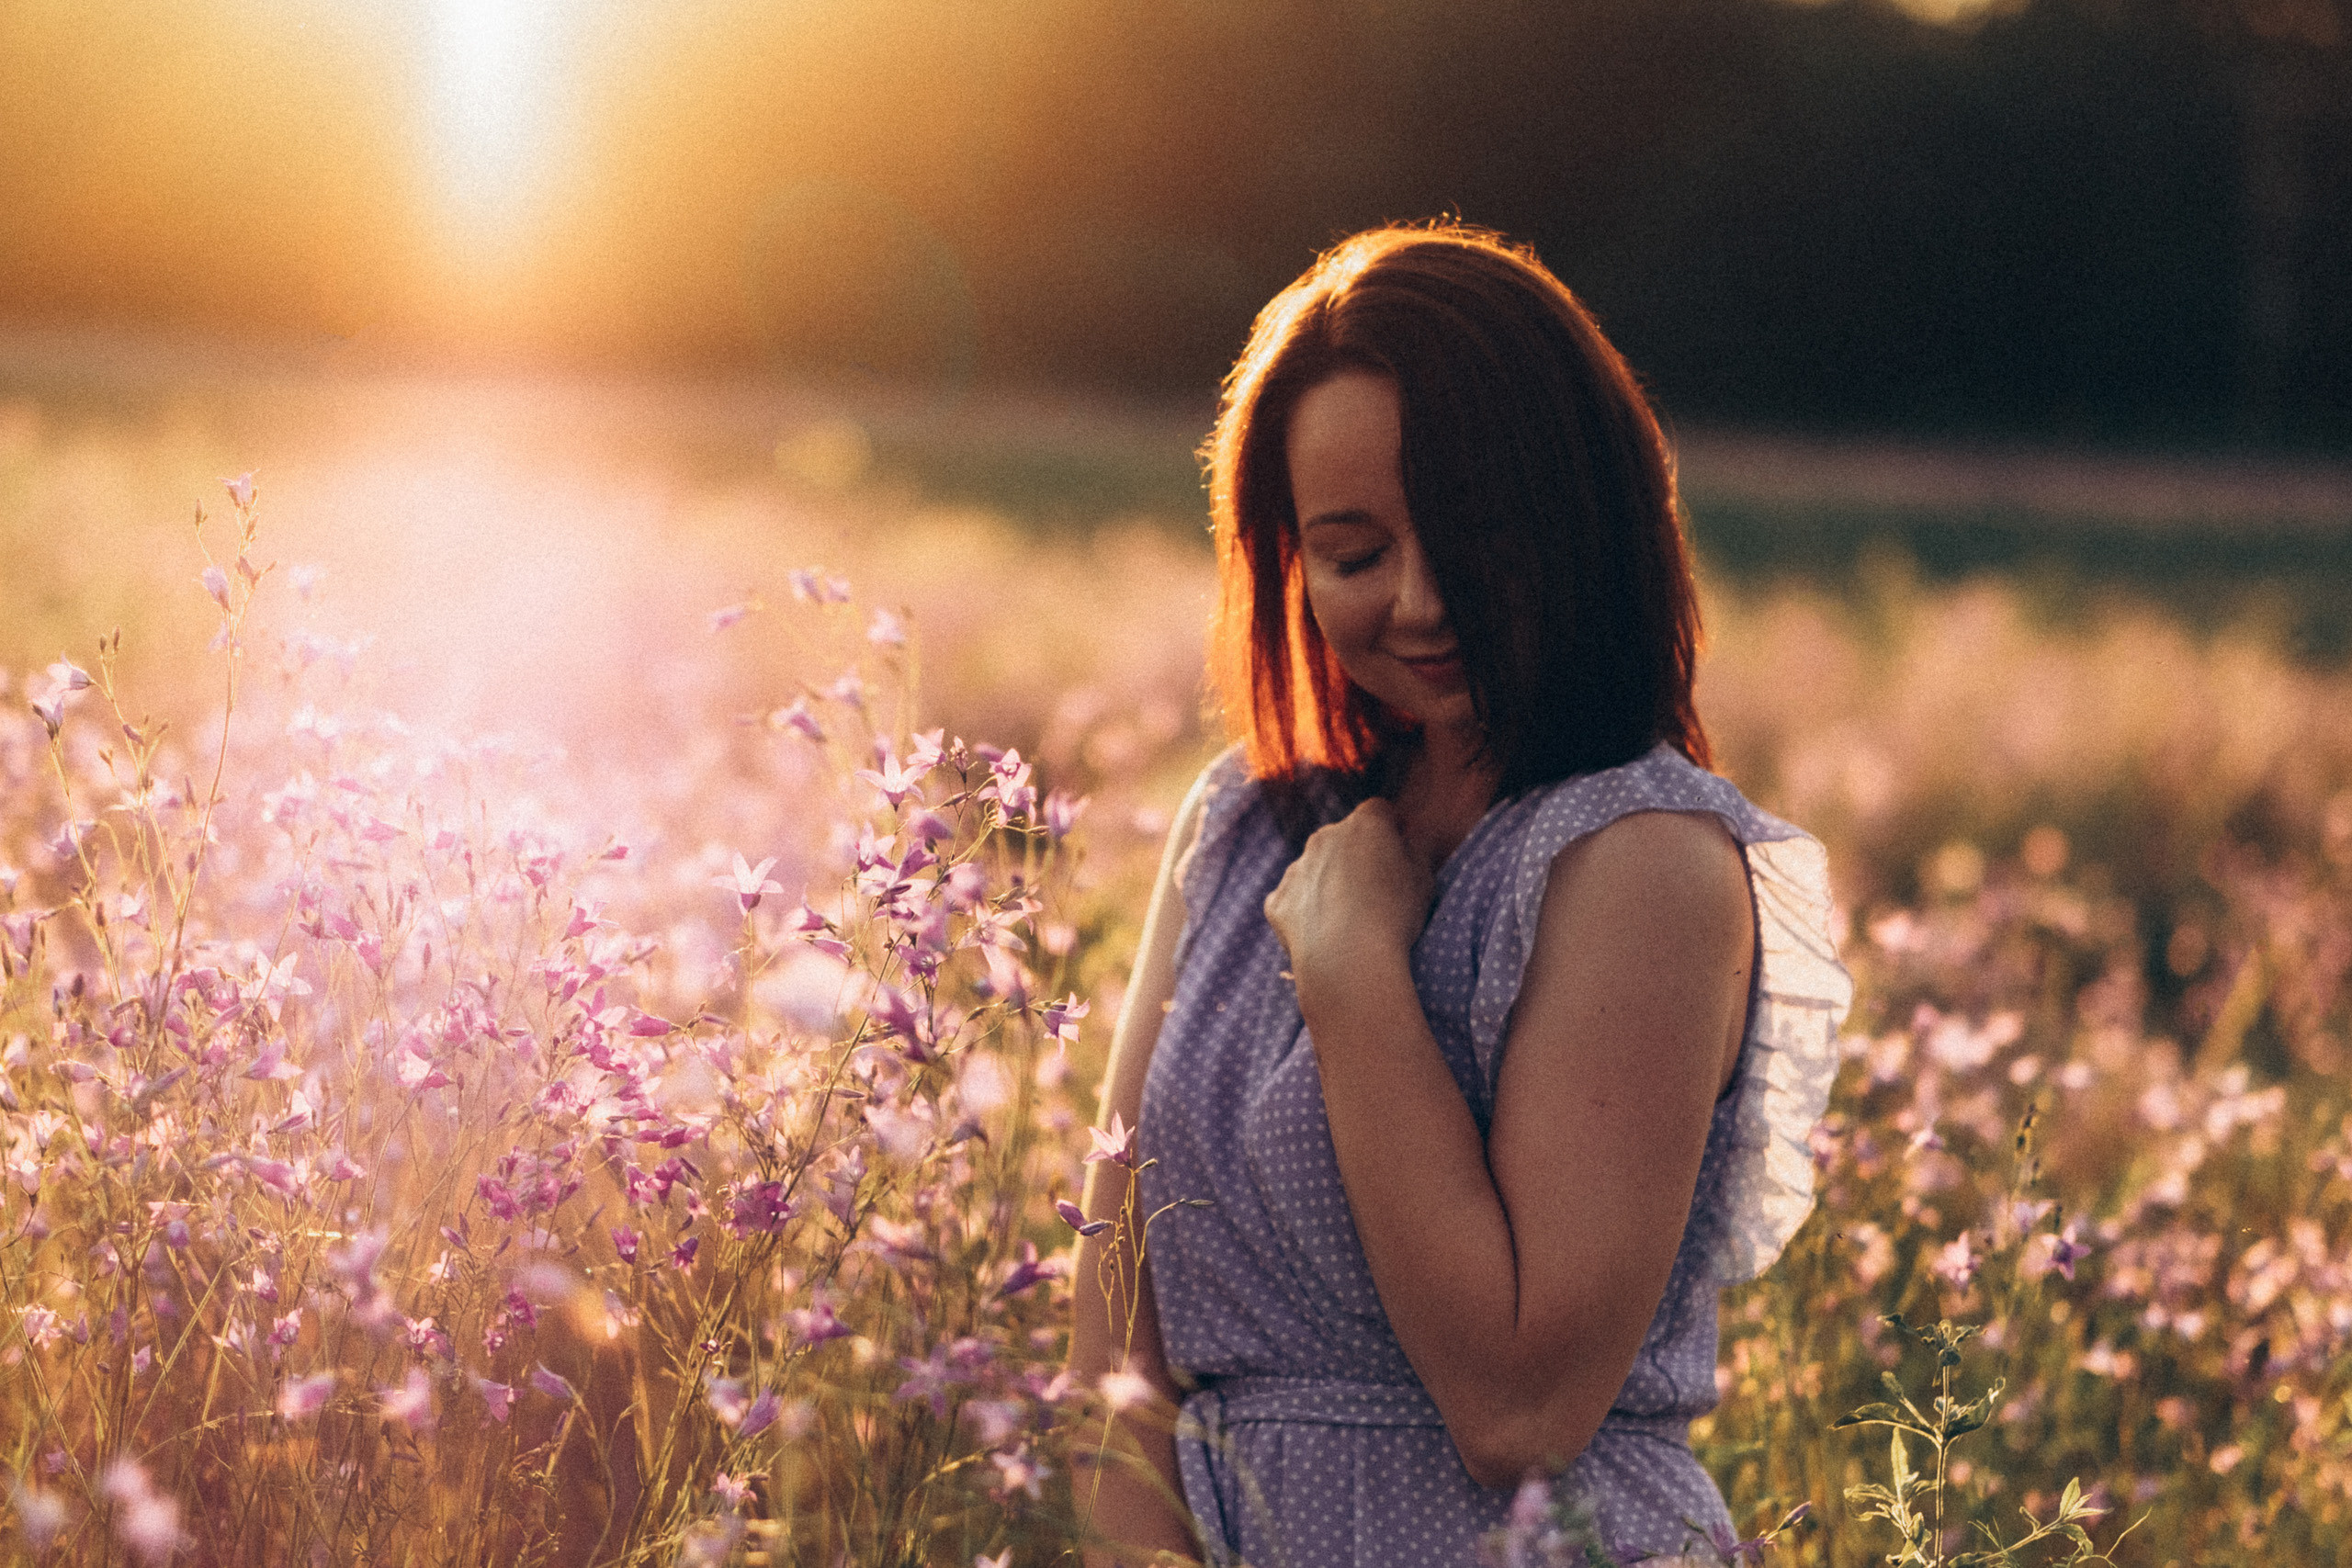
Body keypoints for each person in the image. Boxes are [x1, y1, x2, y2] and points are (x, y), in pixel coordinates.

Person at [1069, 223, 1852, 1568]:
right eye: (1356, 552)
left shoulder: (1643, 860)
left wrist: (1358, 968)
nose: (1421, 602)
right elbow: (1105, 1354)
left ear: (1585, 512)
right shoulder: (1243, 823)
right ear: (1291, 563)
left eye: (1478, 533)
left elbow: (1521, 1410)